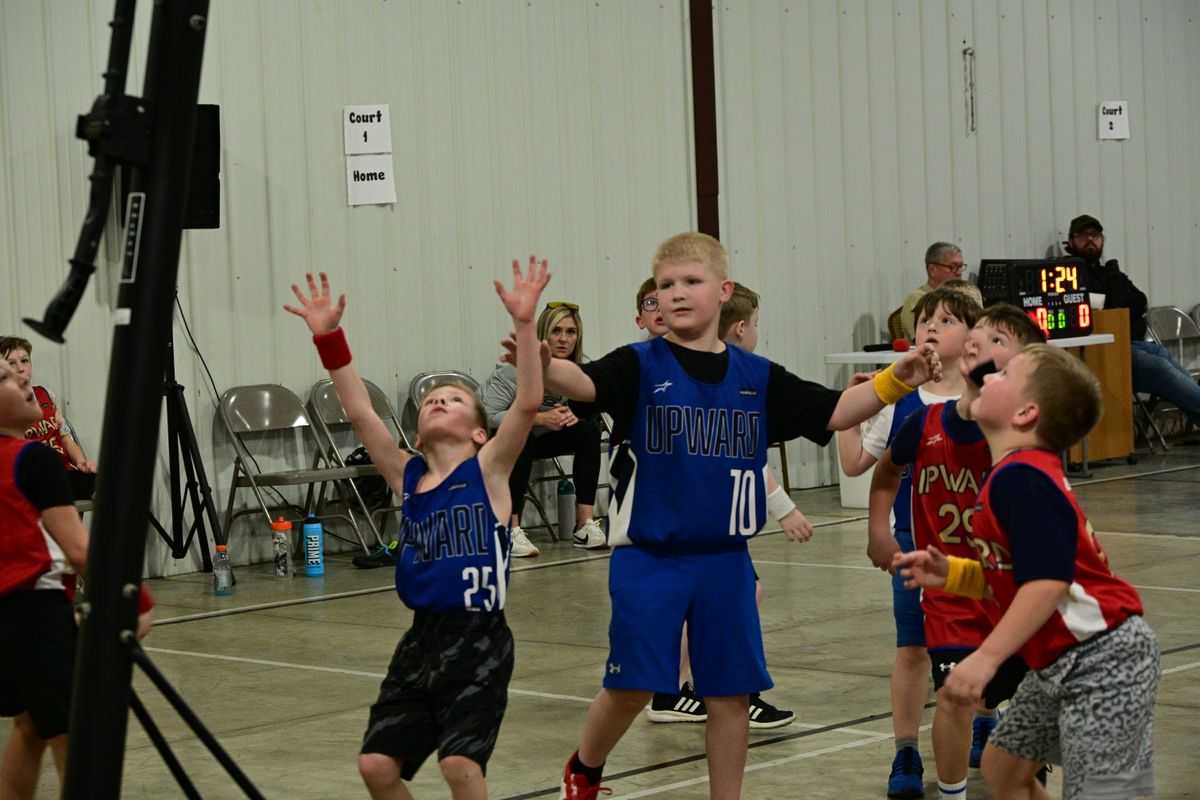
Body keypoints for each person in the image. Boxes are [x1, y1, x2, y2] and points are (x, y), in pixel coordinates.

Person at [516, 232, 941, 800]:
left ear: (723, 291)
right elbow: (580, 382)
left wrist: (897, 380)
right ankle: (585, 769)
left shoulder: (757, 376)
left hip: (725, 561)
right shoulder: (639, 365)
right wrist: (536, 352)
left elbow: (838, 411)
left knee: (729, 695)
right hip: (650, 558)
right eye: (665, 285)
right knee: (634, 686)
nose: (676, 293)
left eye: (691, 281)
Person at [284, 260, 549, 800]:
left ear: (480, 433)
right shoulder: (408, 477)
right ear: (419, 432)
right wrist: (329, 338)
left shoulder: (489, 472)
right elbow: (361, 412)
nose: (439, 401)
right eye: (431, 401)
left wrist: (525, 325)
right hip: (420, 639)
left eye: (454, 399)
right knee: (377, 767)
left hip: (479, 639)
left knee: (459, 765)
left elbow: (526, 403)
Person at [894, 344, 1160, 800]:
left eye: (1004, 376)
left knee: (1103, 791)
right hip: (1059, 661)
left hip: (1104, 656)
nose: (987, 376)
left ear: (1025, 414)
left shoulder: (1023, 478)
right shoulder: (1011, 474)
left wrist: (987, 657)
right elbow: (1016, 577)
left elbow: (1047, 583)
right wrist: (954, 574)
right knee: (1004, 768)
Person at [876, 305, 1045, 800]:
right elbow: (886, 471)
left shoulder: (1027, 441)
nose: (977, 341)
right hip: (951, 593)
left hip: (1018, 600)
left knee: (1018, 752)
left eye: (997, 340)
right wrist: (877, 530)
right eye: (979, 333)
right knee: (953, 695)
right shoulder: (925, 422)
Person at [838, 286, 980, 799]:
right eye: (924, 321)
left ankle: (985, 719)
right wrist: (850, 413)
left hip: (980, 550)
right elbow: (858, 465)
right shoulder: (899, 399)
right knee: (913, 648)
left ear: (973, 337)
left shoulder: (991, 399)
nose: (932, 327)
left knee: (986, 643)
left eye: (947, 319)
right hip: (915, 545)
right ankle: (906, 749)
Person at [647, 282, 807, 730]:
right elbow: (745, 458)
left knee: (728, 596)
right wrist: (785, 508)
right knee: (724, 598)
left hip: (714, 517)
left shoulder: (731, 378)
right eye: (755, 325)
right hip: (700, 519)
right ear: (739, 328)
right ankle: (714, 689)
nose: (756, 333)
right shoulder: (720, 383)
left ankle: (685, 688)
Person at [0, 357, 153, 800]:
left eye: (20, 369)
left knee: (30, 727)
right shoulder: (33, 459)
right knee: (75, 737)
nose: (22, 378)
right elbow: (81, 551)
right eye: (5, 377)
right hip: (35, 616)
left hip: (9, 623)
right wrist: (138, 599)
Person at [479, 302, 605, 558]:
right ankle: (509, 528)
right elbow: (487, 417)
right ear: (542, 335)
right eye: (556, 331)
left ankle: (584, 525)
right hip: (497, 440)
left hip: (541, 438)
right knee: (522, 436)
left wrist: (576, 412)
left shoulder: (580, 369)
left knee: (588, 432)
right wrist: (537, 418)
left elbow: (598, 405)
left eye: (570, 332)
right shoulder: (515, 370)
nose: (563, 339)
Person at [1063, 214, 1200, 429]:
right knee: (1161, 368)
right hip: (1105, 351)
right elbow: (1094, 305)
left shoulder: (1110, 272)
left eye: (1095, 235)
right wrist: (1117, 302)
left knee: (1165, 359)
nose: (1090, 239)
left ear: (1102, 240)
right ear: (1071, 241)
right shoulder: (1066, 274)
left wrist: (1112, 301)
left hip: (1135, 343)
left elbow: (1141, 300)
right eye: (1083, 235)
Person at [1, 336, 97, 500]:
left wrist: (82, 463)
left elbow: (66, 439)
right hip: (32, 480)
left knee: (106, 485)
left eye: (24, 361)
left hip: (63, 473)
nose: (20, 368)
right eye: (11, 364)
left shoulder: (46, 394)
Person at [897, 243, 966, 341]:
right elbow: (926, 339)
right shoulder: (918, 300)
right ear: (932, 269)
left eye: (960, 266)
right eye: (952, 267)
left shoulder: (965, 297)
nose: (959, 272)